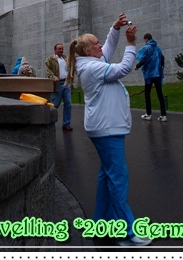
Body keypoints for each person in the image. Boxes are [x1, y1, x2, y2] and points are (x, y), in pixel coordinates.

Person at [67, 13, 151, 247]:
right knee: (118, 178)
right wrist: (131, 44)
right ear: (87, 51)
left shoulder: (92, 61)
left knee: (107, 177)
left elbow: (107, 47)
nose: (99, 46)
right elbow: (124, 68)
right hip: (106, 129)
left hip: (105, 127)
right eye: (95, 44)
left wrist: (114, 29)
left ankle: (101, 225)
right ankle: (128, 232)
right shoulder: (94, 69)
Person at [135, 33, 167, 122]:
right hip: (157, 74)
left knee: (147, 94)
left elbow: (143, 59)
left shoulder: (147, 48)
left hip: (149, 74)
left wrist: (137, 66)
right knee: (160, 94)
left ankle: (148, 114)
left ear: (146, 39)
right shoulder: (158, 48)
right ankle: (163, 115)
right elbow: (162, 59)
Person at [45, 43, 72, 131]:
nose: (61, 50)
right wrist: (53, 77)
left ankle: (66, 124)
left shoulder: (65, 59)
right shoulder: (51, 59)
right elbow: (47, 69)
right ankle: (48, 122)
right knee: (55, 104)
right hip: (58, 84)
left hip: (66, 83)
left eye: (62, 49)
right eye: (59, 49)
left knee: (68, 104)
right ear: (55, 50)